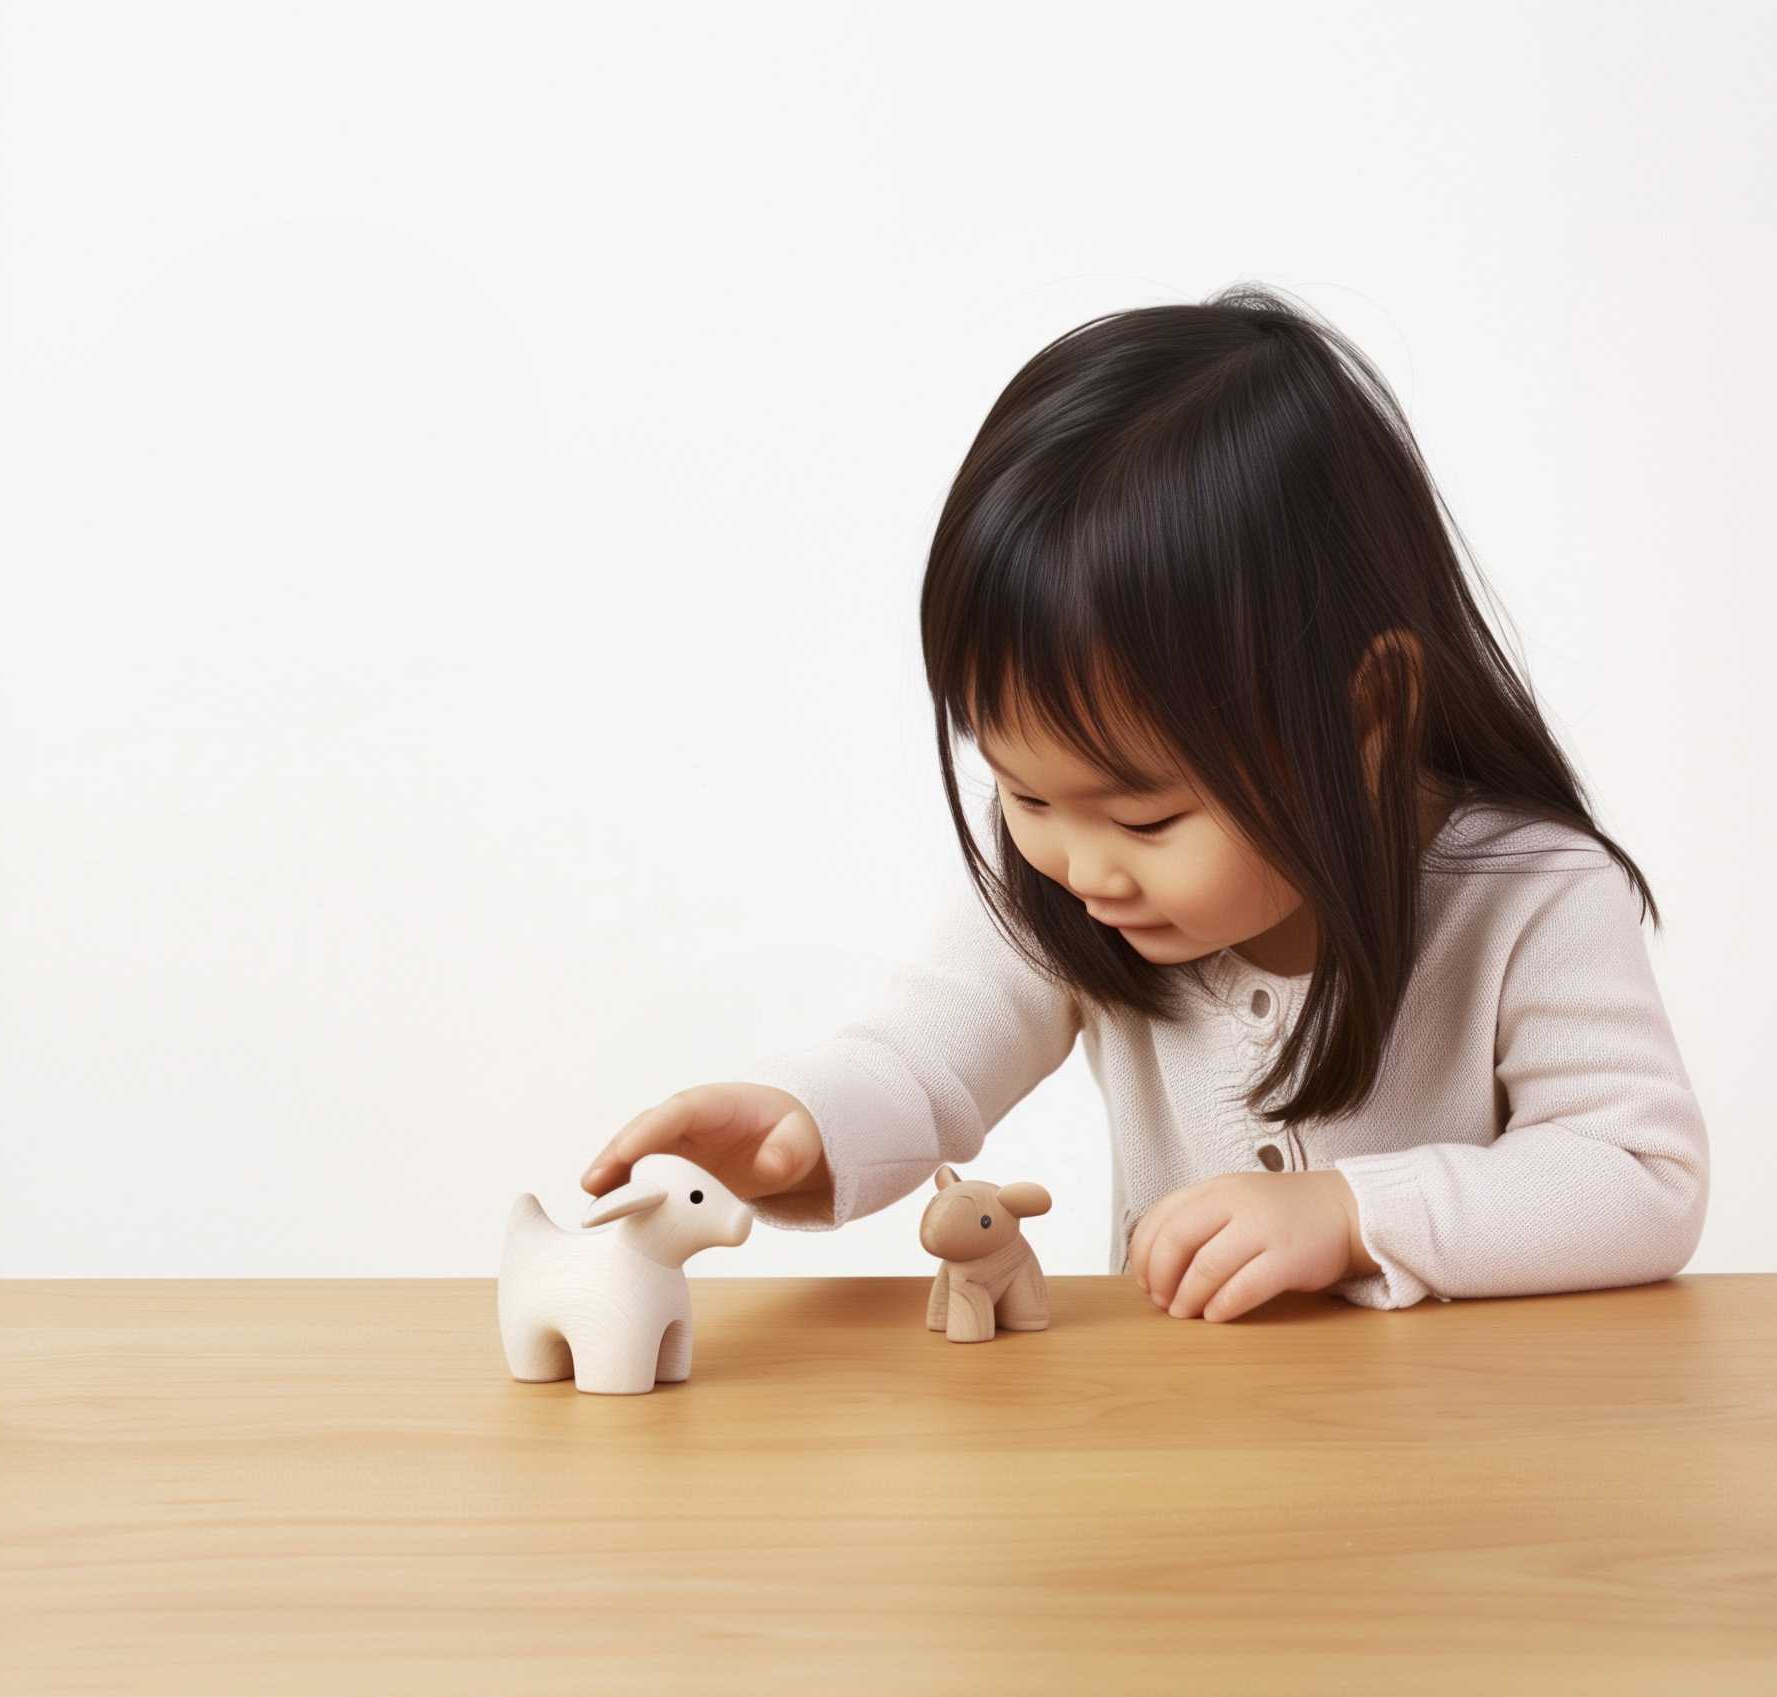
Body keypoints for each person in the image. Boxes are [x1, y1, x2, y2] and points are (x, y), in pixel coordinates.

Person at [579, 286, 1709, 1321]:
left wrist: (1352, 1214)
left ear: (1369, 713)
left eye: (1146, 819)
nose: (1083, 867)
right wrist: (804, 1124)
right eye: (1025, 792)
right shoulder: (1069, 891)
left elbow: (1639, 1174)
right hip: (1175, 1435)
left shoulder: (1530, 895)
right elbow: (926, 1059)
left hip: (1460, 1443)